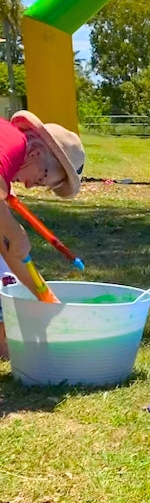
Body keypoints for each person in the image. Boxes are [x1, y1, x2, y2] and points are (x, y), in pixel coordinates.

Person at [0, 111, 85, 360]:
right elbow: (11, 239)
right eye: (40, 179)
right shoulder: (12, 140)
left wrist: (46, 297)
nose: (27, 186)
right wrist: (16, 231)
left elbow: (9, 249)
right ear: (36, 153)